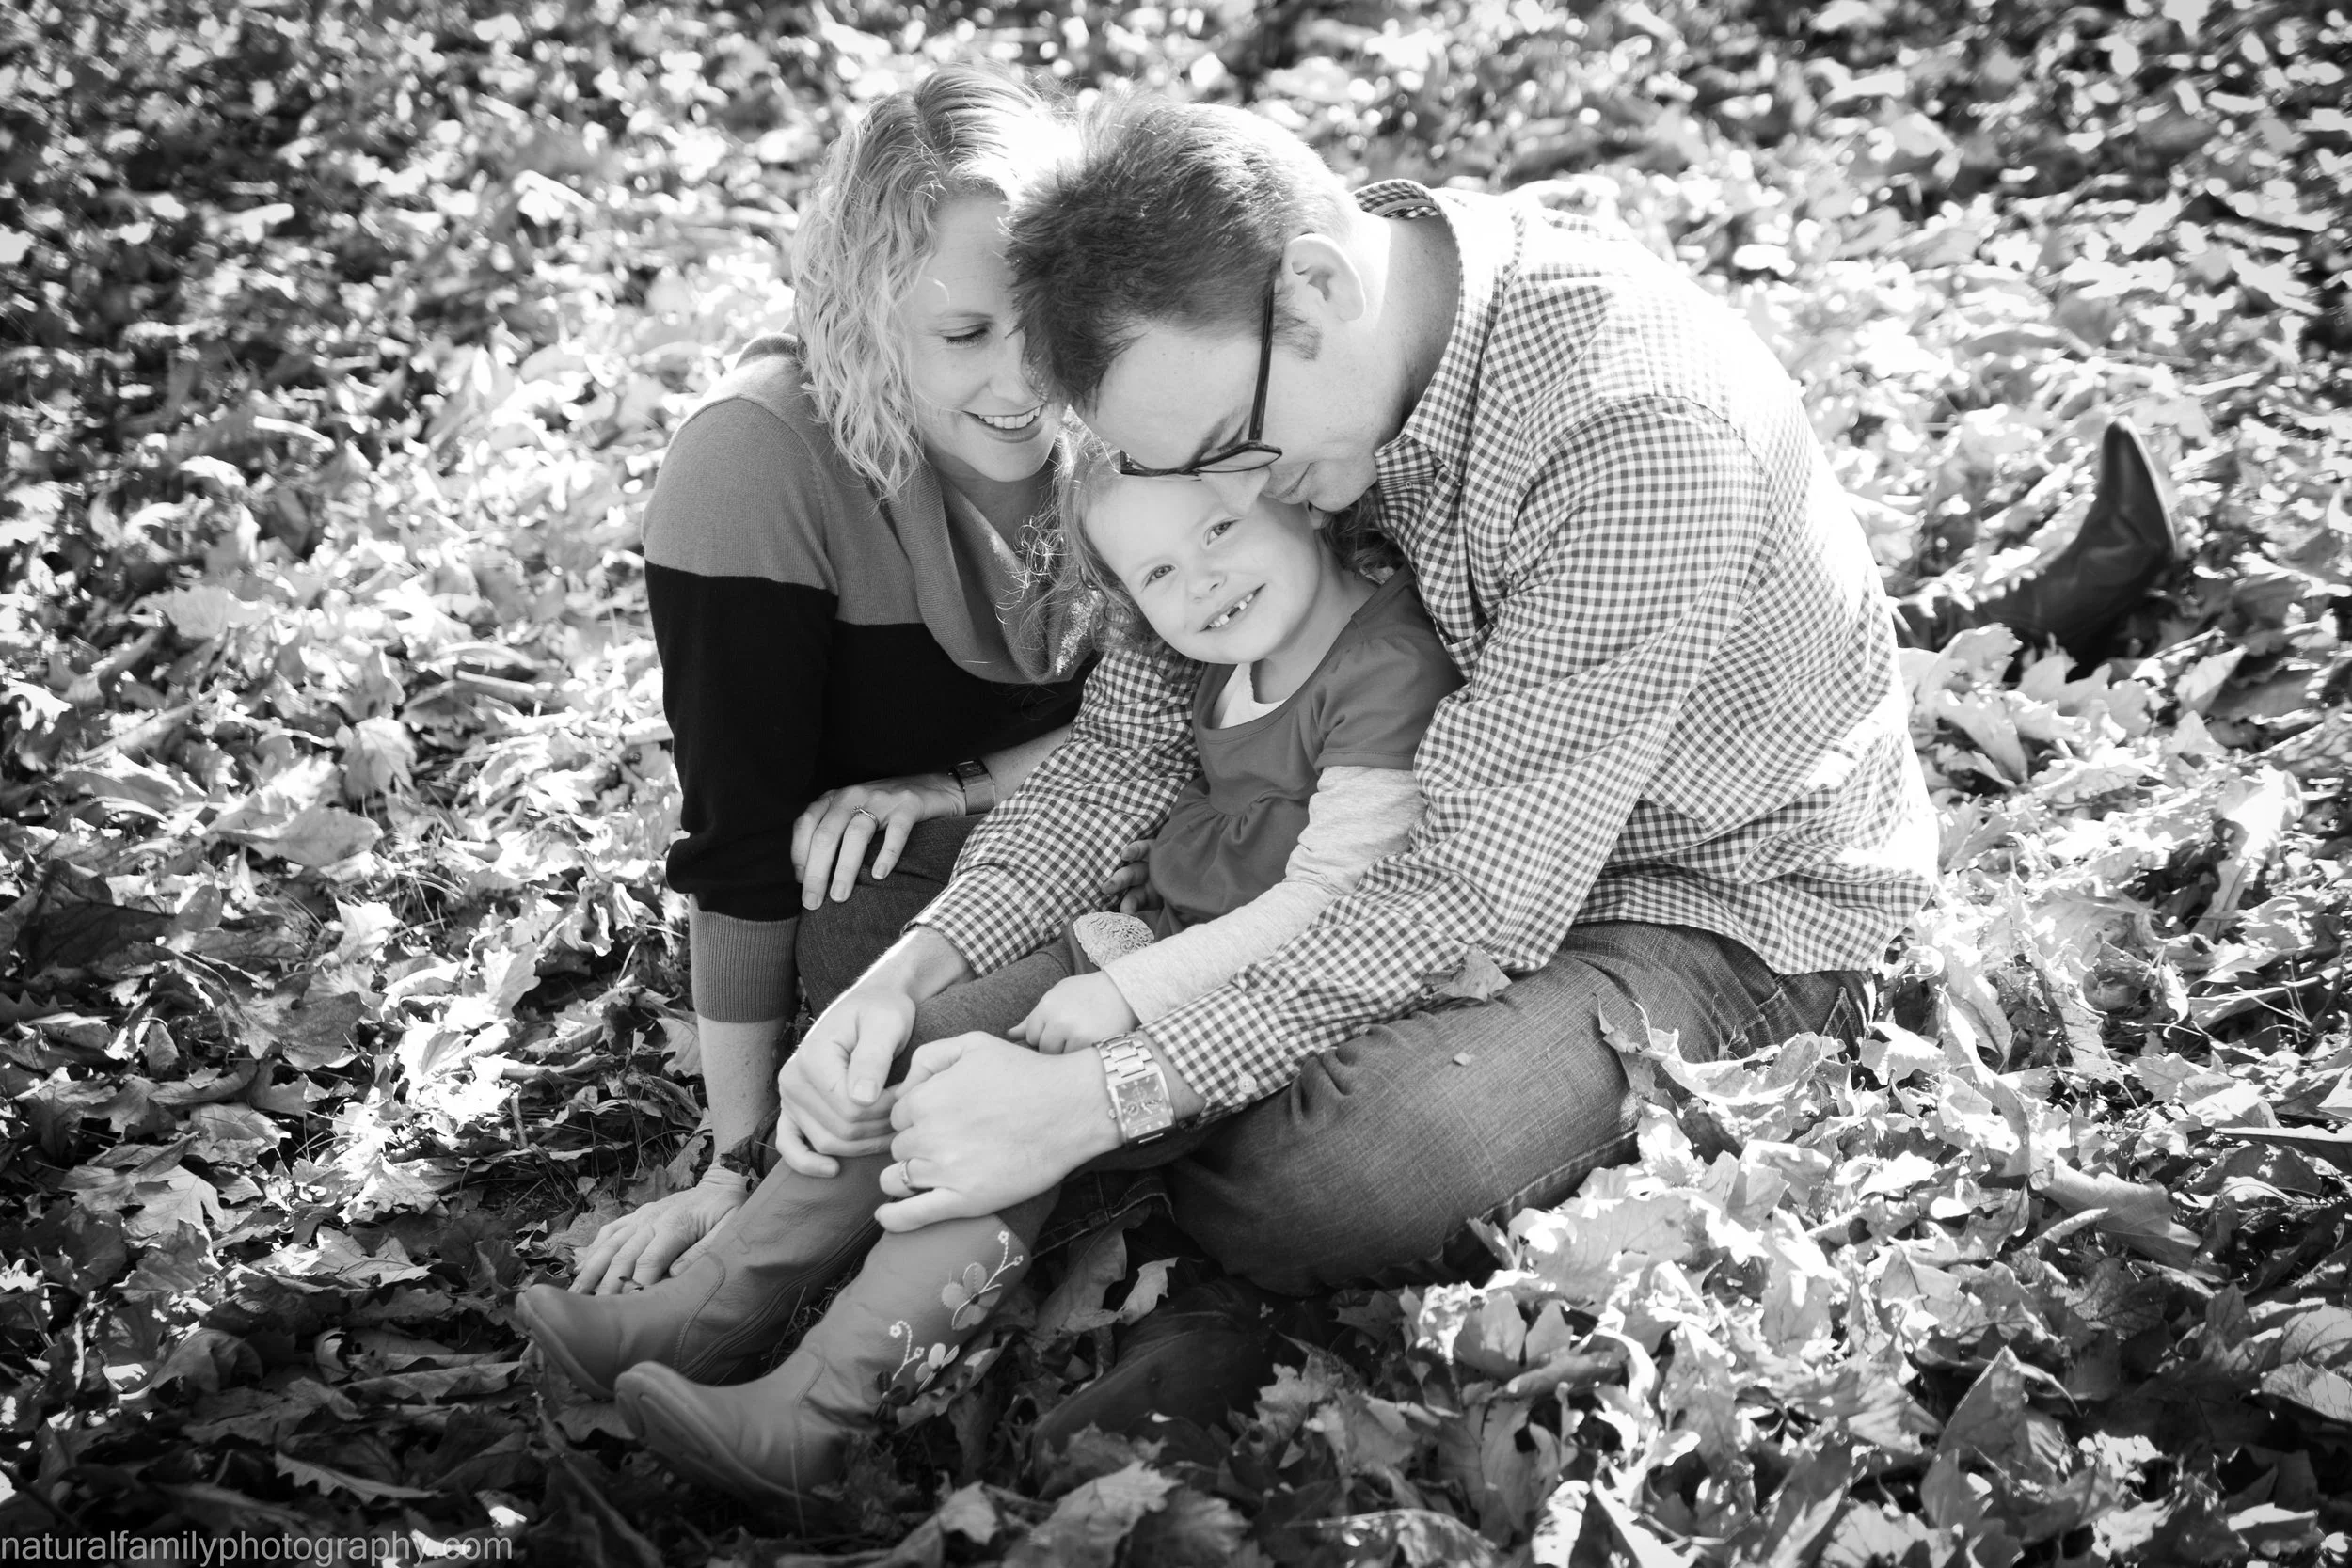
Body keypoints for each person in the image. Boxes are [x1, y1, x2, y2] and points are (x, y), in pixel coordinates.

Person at [771, 90, 1954, 1413]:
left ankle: (1139, 1229)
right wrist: (914, 962)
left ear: (1321, 291)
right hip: (1347, 836)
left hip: (1708, 906)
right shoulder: (1266, 362)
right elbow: (1126, 748)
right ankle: (1023, 1177)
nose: (1249, 500)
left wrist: (1106, 1089)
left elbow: (1470, 892)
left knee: (1327, 1173)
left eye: (1241, 454)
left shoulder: (1637, 434)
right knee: (863, 960)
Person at [524, 441, 1463, 1502]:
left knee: (995, 1127)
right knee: (922, 1047)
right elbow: (1104, 786)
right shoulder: (1226, 644)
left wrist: (1123, 993)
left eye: (1217, 531)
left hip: (1253, 1004)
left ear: (1298, 498)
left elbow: (1334, 904)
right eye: (1155, 573)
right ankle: (710, 1302)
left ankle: (823, 1410)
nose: (1198, 581)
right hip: (1139, 944)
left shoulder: (1386, 664)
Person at [540, 67, 1098, 1303]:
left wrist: (959, 782)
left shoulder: (1118, 397)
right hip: (887, 906)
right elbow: (740, 839)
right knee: (892, 1019)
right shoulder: (757, 464)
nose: (1026, 383)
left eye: (1047, 319)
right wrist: (731, 1157)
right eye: (963, 335)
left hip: (1131, 842)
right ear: (868, 306)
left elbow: (1176, 722)